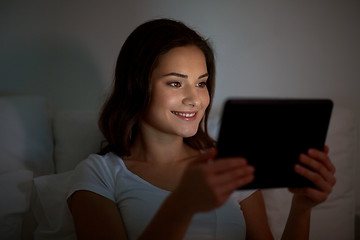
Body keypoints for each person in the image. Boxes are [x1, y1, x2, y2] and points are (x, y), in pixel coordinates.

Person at [67, 18, 336, 240]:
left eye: (201, 83)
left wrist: (301, 209)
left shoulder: (229, 165)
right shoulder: (99, 174)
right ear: (136, 86)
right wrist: (182, 203)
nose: (195, 99)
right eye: (175, 83)